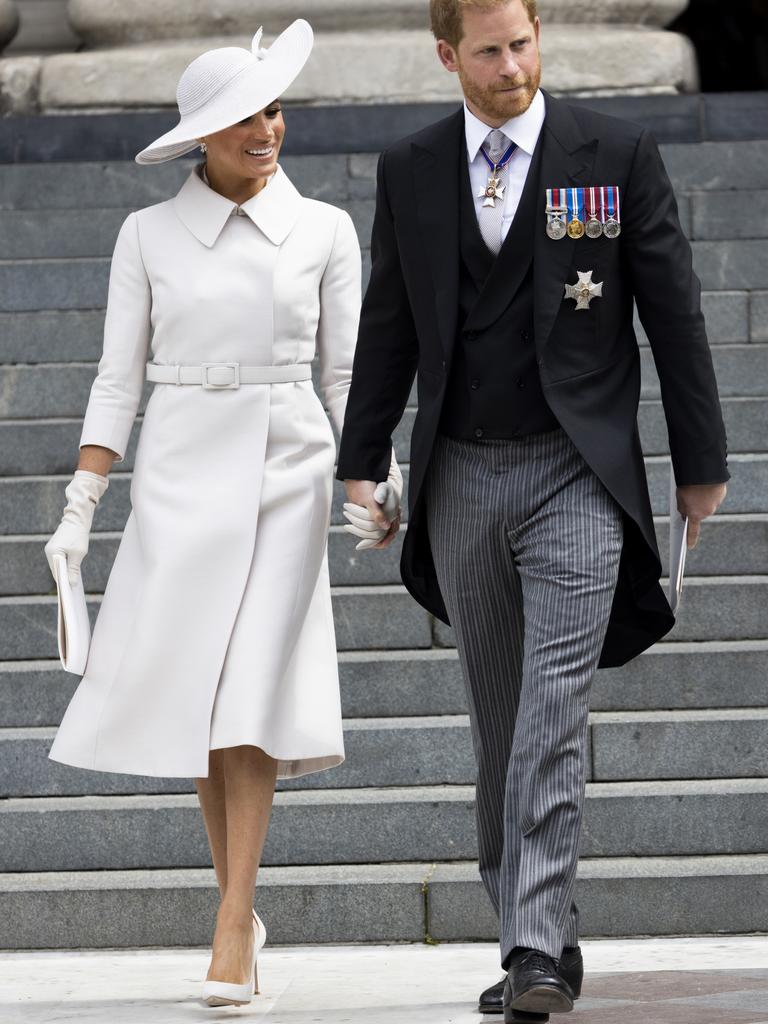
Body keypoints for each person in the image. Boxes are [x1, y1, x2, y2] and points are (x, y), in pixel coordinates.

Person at [337, 1, 728, 1020]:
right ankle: (533, 922)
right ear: (446, 56)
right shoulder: (413, 169)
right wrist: (360, 457)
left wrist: (701, 460)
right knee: (500, 720)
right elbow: (388, 321)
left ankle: (533, 950)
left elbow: (674, 307)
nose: (511, 66)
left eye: (523, 44)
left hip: (577, 474)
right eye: (488, 51)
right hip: (461, 472)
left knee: (554, 714)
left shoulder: (617, 151)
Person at [44, 20, 390, 1007]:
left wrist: (371, 482)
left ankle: (233, 921)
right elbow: (117, 381)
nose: (266, 129)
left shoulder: (325, 228)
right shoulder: (145, 234)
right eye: (244, 116)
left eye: (274, 109)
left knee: (248, 699)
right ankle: (237, 906)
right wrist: (81, 509)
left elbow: (348, 374)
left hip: (289, 472)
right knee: (202, 699)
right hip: (180, 474)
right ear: (203, 132)